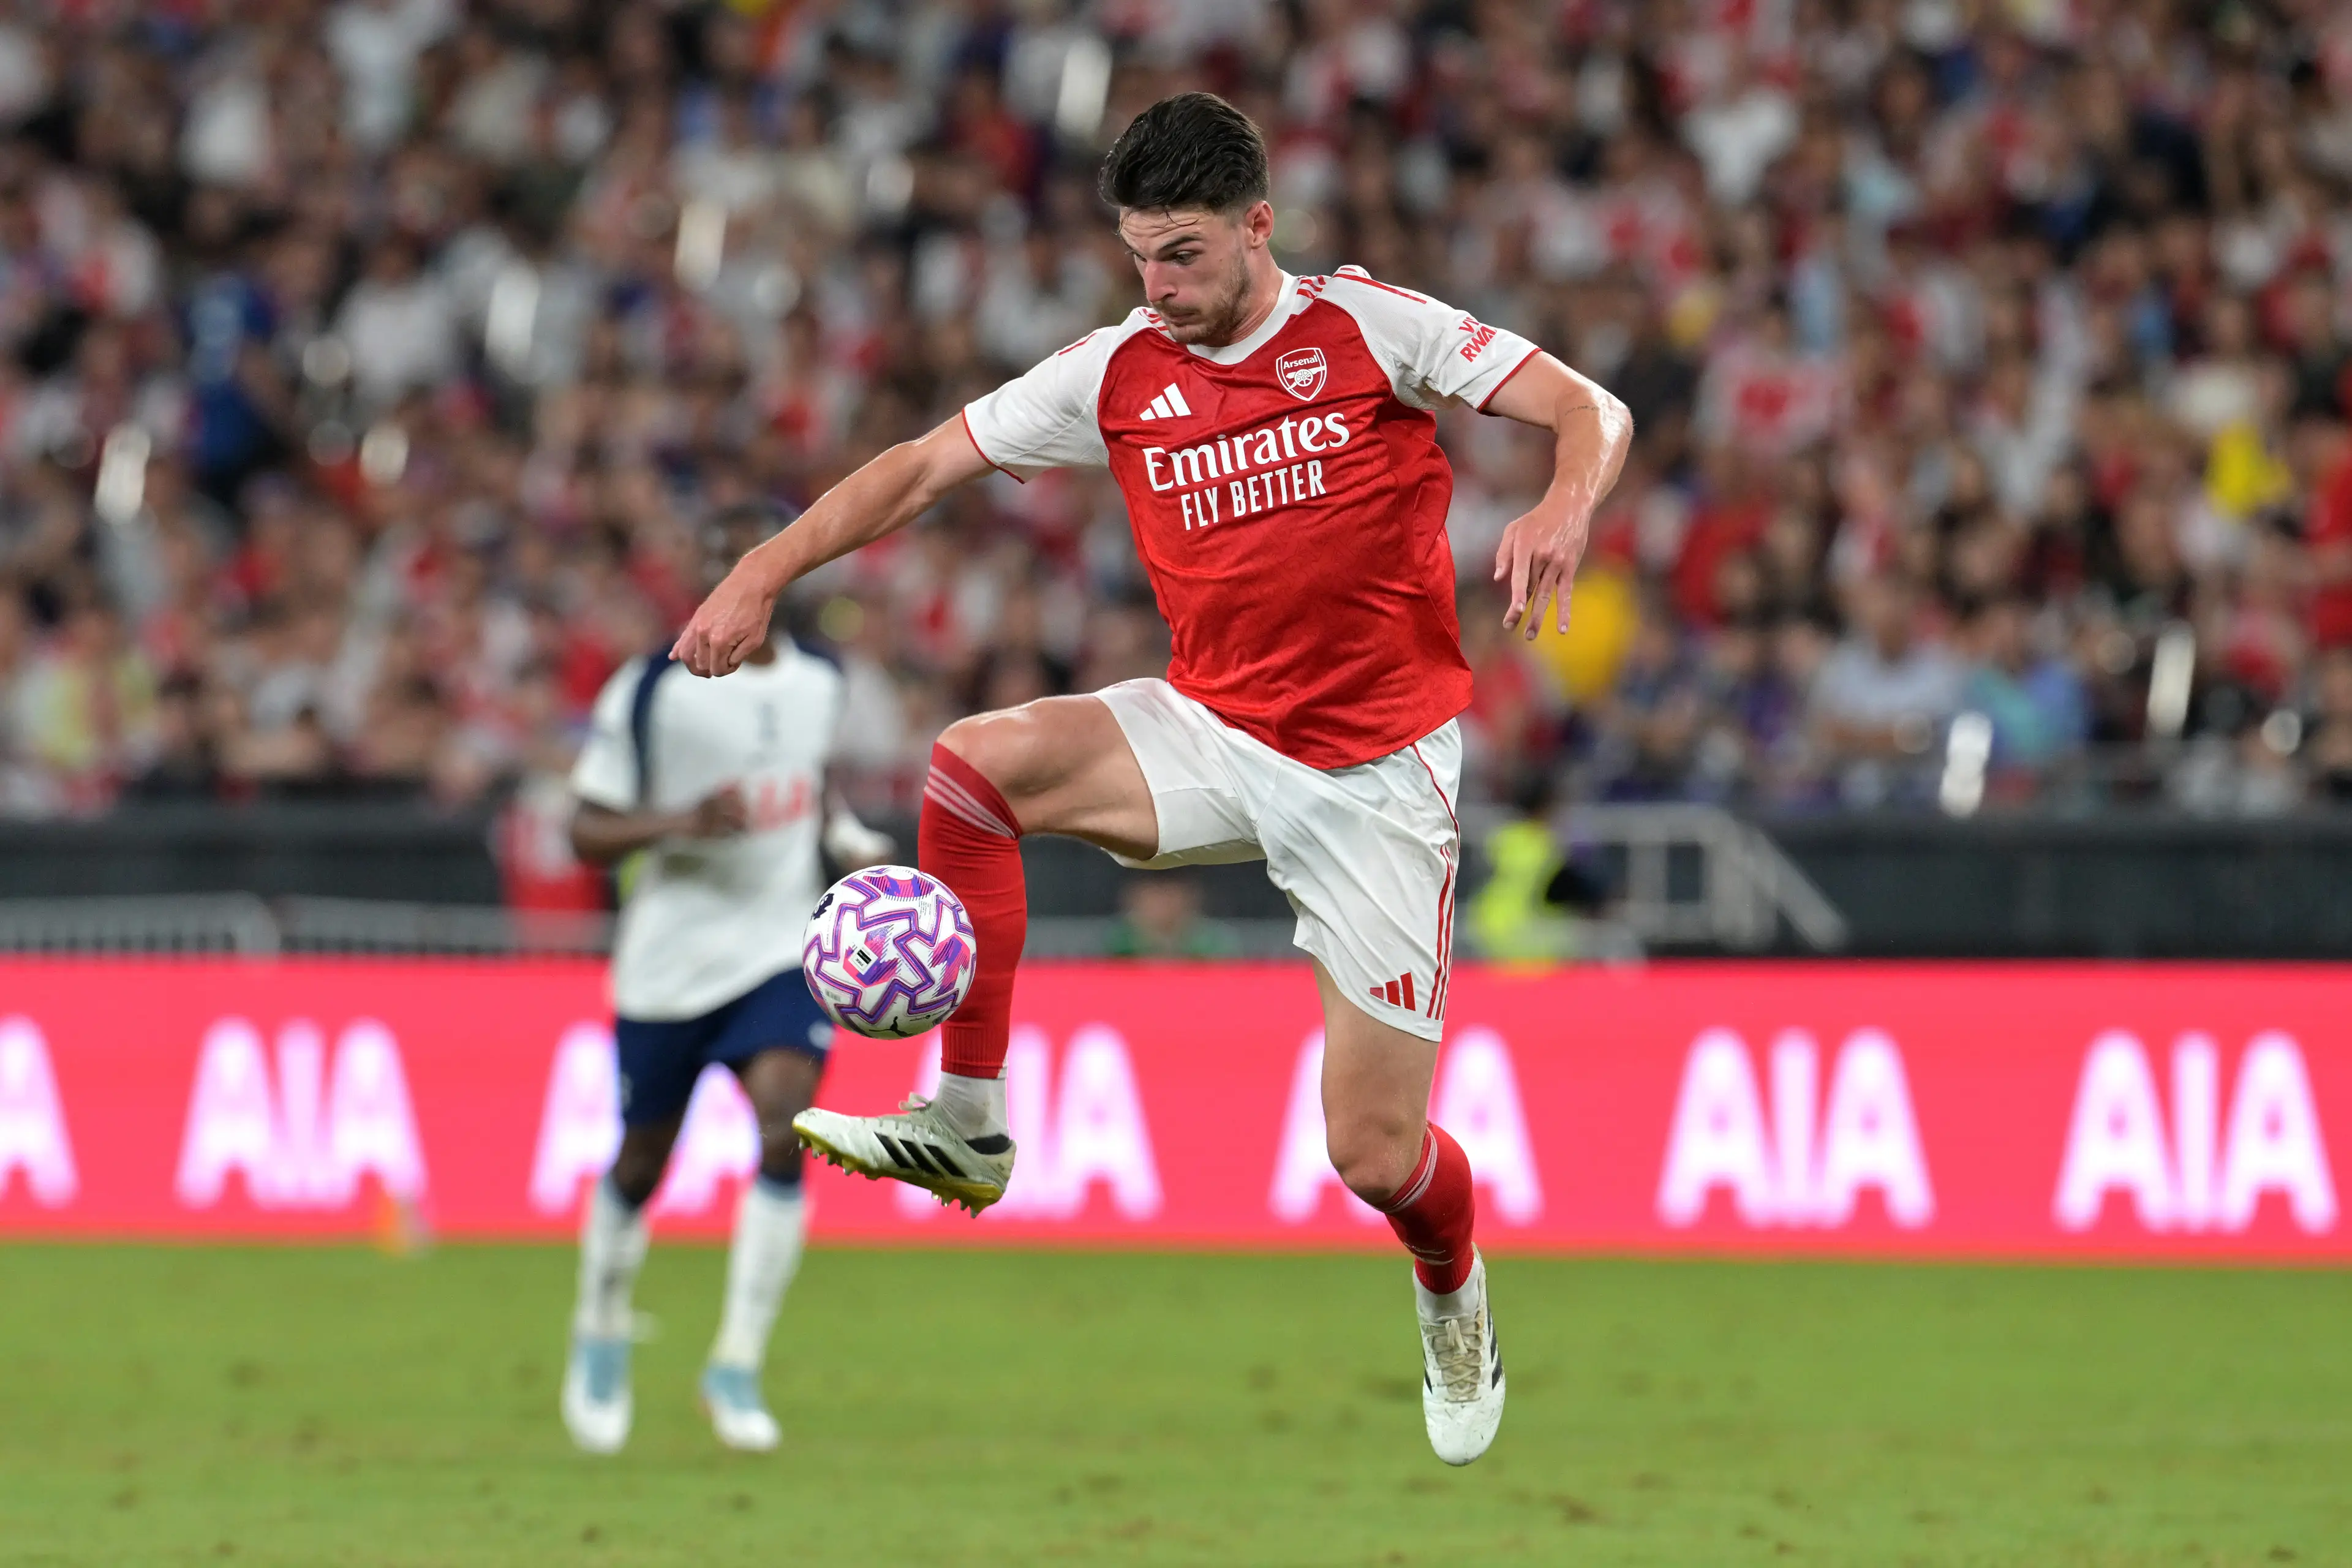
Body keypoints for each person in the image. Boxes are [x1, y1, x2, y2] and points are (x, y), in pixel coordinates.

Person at [671, 94, 1632, 1467]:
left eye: (1183, 253)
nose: (1160, 286)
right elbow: (924, 466)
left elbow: (1591, 407)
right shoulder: (1119, 369)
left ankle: (1452, 1287)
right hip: (1211, 730)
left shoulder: (1371, 330)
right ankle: (970, 1122)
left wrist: (1562, 501)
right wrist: (762, 572)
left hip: (1372, 777)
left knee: (1374, 1156)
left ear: (1259, 226)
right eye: (1139, 257)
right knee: (974, 768)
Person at [560, 504, 891, 1457]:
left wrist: (849, 840)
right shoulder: (651, 689)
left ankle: (736, 1365)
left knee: (787, 1124)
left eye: (748, 560)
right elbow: (585, 829)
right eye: (714, 559)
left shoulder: (823, 682)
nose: (729, 578)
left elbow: (812, 785)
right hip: (669, 963)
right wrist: (677, 823)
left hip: (780, 948)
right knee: (642, 1163)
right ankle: (601, 1324)